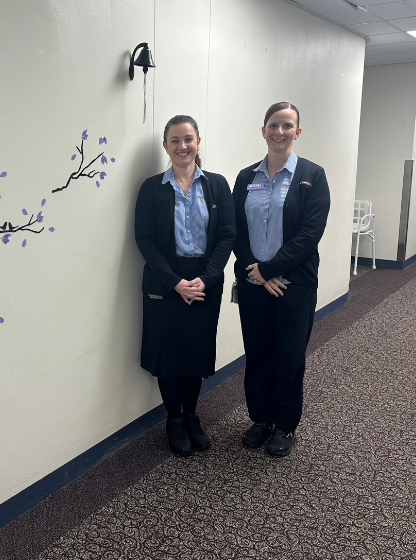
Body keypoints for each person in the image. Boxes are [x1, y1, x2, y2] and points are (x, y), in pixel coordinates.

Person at [232, 102, 330, 458]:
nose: (280, 131)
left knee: (289, 355)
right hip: (253, 283)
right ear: (263, 130)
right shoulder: (246, 177)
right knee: (258, 354)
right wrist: (254, 270)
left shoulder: (311, 176)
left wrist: (270, 269)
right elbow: (236, 231)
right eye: (274, 125)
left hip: (294, 284)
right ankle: (260, 420)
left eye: (287, 126)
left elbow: (310, 234)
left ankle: (285, 426)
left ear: (297, 132)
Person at [134, 115, 235, 456]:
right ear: (166, 146)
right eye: (175, 140)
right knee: (169, 354)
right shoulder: (152, 188)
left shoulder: (218, 185)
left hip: (204, 281)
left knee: (195, 350)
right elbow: (145, 240)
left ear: (198, 141)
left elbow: (226, 236)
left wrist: (204, 278)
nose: (182, 146)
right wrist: (176, 282)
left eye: (188, 138)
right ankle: (174, 419)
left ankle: (192, 415)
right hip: (165, 282)